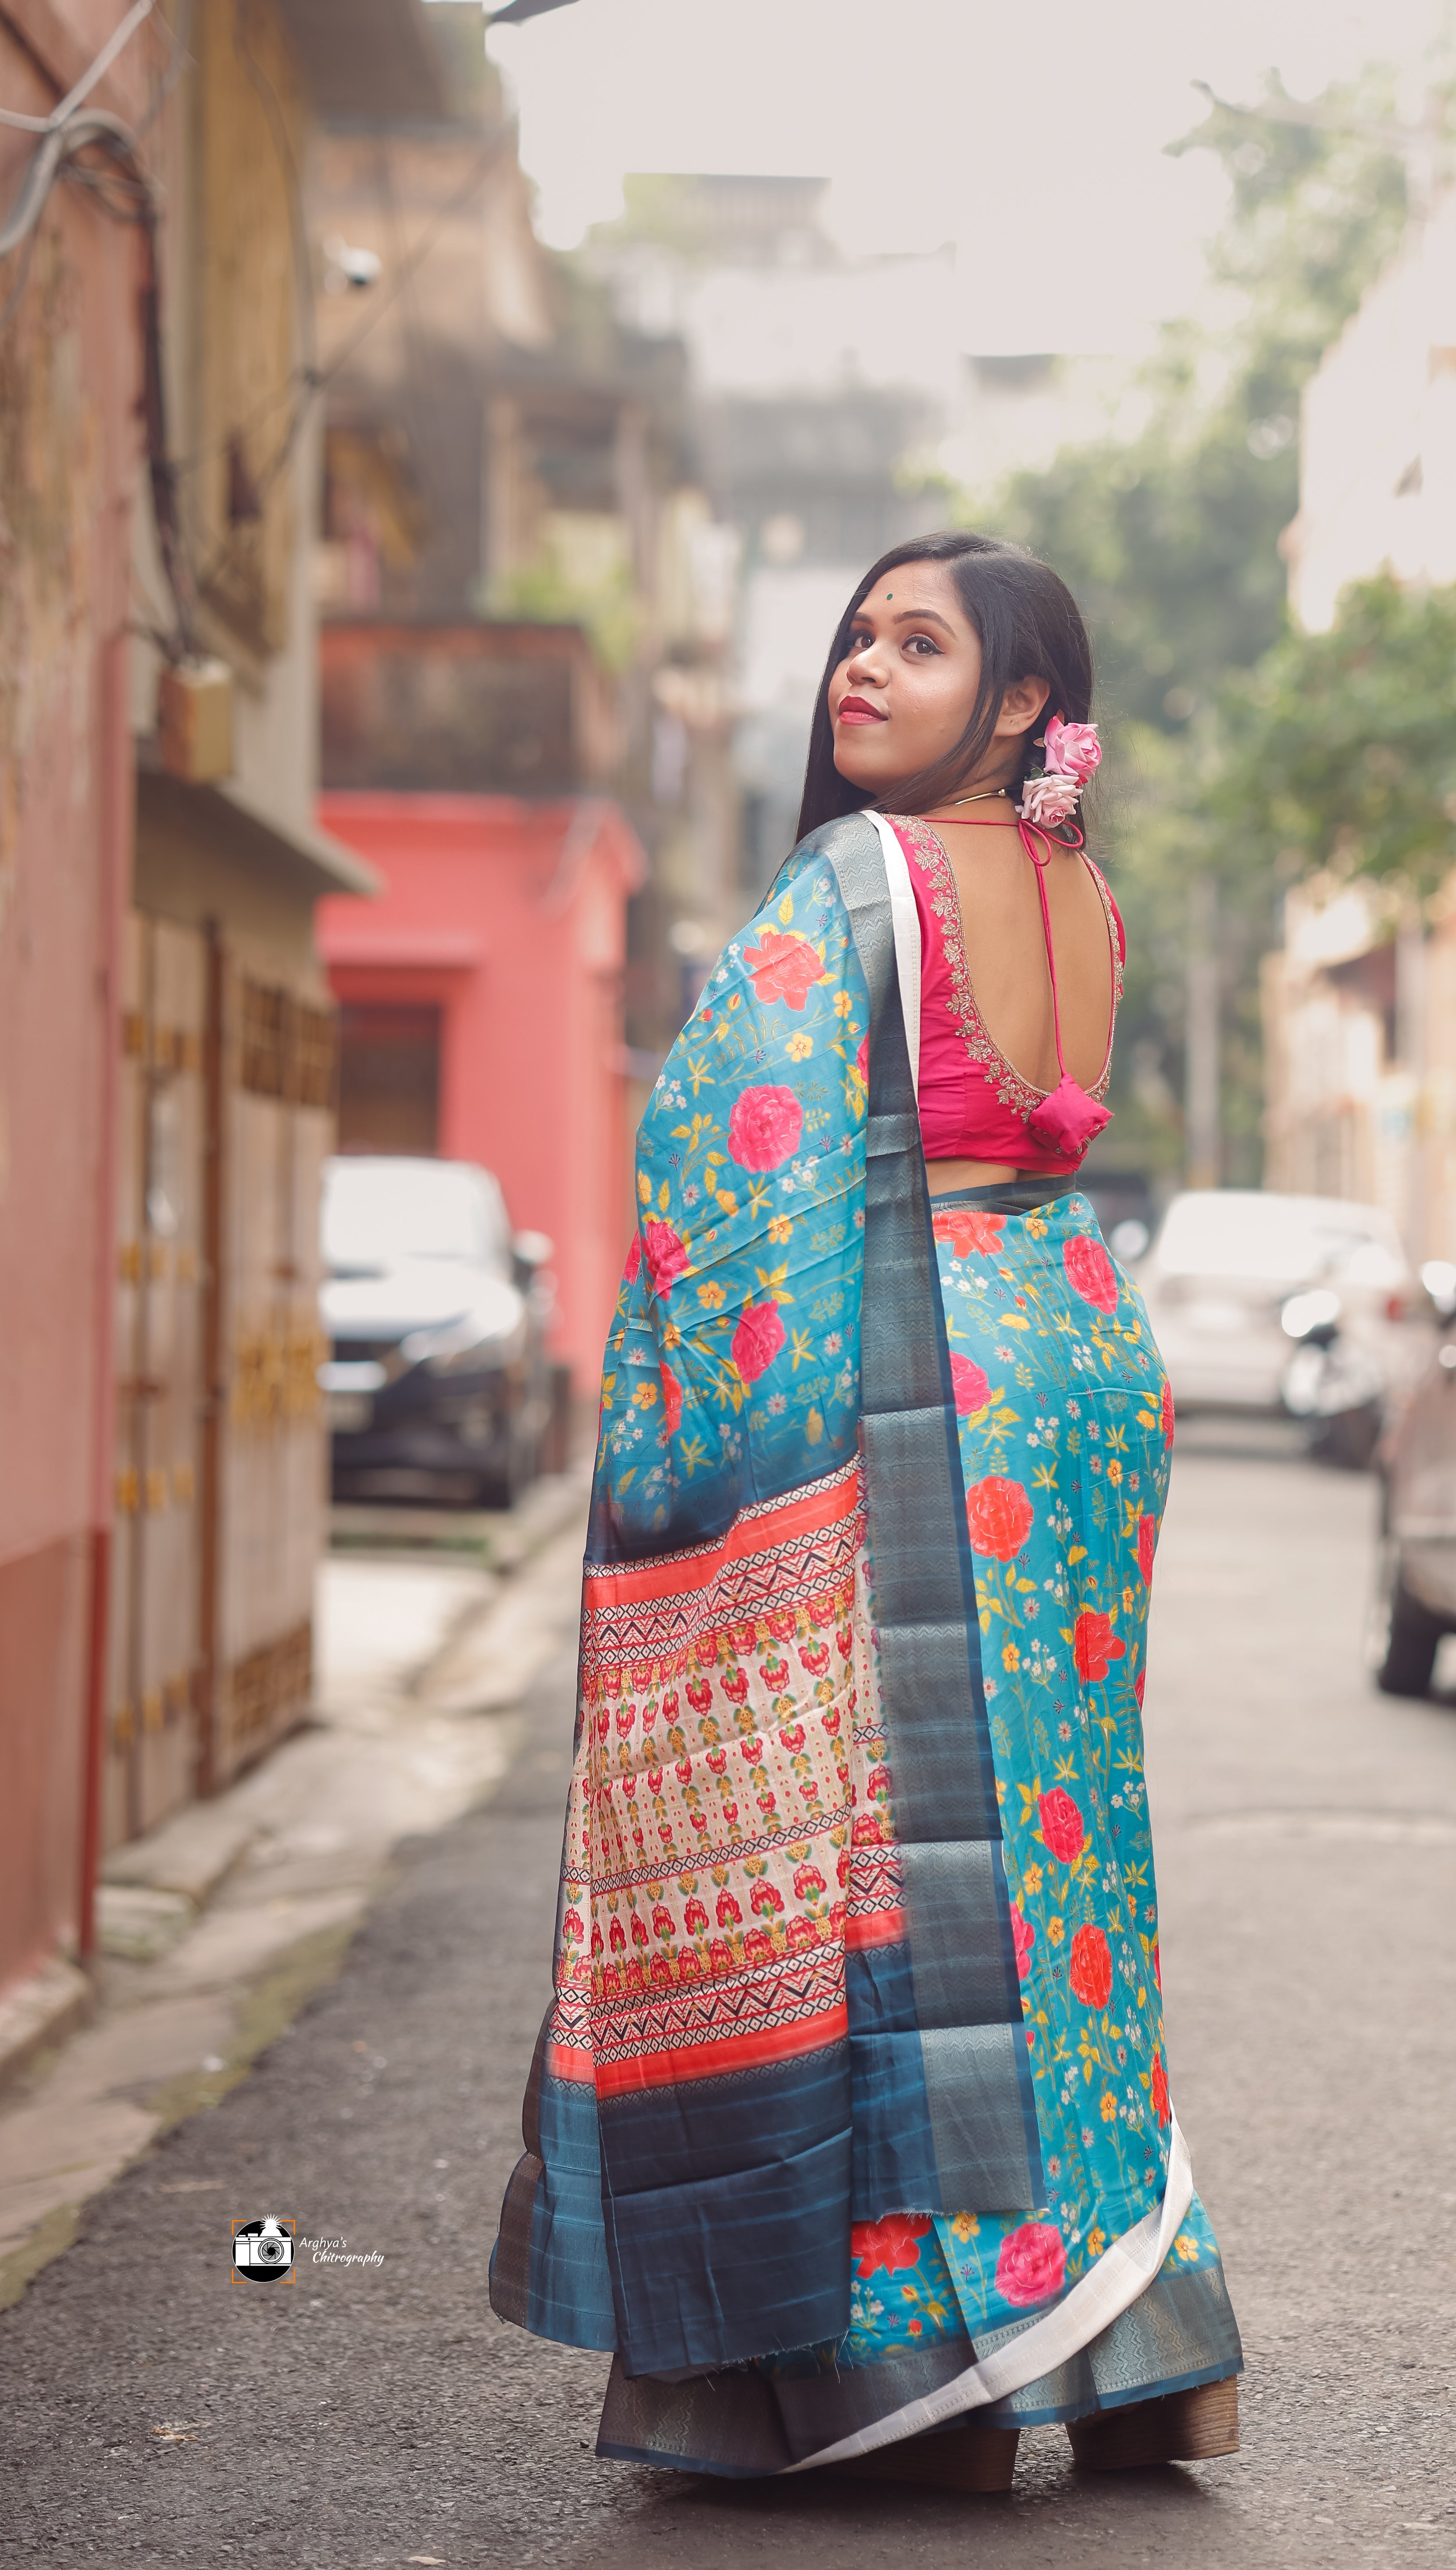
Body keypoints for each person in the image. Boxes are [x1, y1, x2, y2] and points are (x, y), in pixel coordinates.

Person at [489, 532, 1242, 2491]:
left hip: (925, 1383)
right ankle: (1150, 2335)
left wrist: (681, 1453)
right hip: (1076, 1361)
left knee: (897, 1852)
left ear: (1015, 703)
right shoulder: (1077, 887)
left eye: (921, 644)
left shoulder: (860, 881)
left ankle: (935, 2370)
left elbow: (725, 1180)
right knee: (1062, 1857)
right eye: (854, 636)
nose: (861, 668)